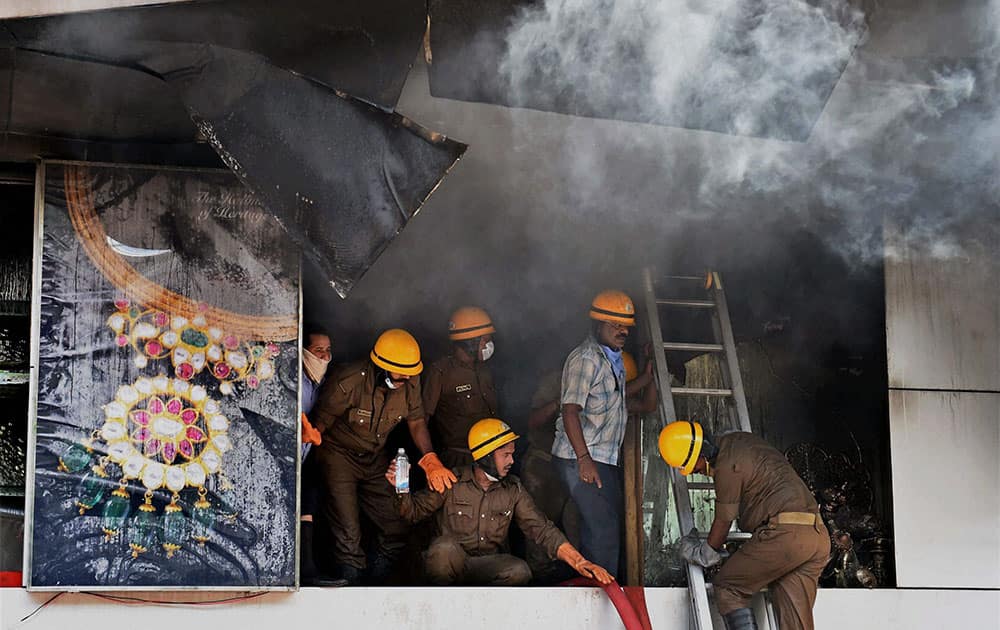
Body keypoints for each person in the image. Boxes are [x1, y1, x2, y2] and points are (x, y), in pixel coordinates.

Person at [387, 418, 613, 586]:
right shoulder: (451, 481)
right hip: (451, 565)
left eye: (512, 454)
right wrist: (401, 487)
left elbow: (542, 530)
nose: (512, 461)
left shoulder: (513, 489)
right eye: (506, 455)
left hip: (487, 566)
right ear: (486, 456)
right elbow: (412, 513)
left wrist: (580, 562)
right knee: (444, 548)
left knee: (519, 570)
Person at [310, 329, 457, 584]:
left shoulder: (410, 380)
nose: (408, 378)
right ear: (383, 368)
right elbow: (320, 422)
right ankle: (350, 580)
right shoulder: (350, 380)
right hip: (338, 455)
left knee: (395, 525)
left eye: (411, 373)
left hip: (374, 456)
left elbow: (416, 421)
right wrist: (309, 441)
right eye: (402, 374)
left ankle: (376, 581)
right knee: (348, 530)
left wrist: (430, 458)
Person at [659, 421, 830, 630]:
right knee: (795, 624)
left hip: (786, 536)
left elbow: (724, 519)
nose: (697, 472)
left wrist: (706, 552)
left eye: (694, 467)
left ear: (702, 456)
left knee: (728, 587)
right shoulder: (742, 442)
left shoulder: (726, 464)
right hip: (816, 537)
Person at [550, 289, 636, 577]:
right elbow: (569, 410)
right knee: (602, 528)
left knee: (604, 525)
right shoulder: (585, 358)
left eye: (626, 326)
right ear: (598, 324)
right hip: (580, 458)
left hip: (604, 458)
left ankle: (593, 588)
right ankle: (599, 596)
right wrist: (584, 458)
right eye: (616, 325)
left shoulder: (615, 359)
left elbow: (616, 398)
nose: (623, 330)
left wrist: (648, 377)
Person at [423, 306, 498, 468]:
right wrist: (430, 459)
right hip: (458, 460)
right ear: (470, 342)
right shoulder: (441, 372)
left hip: (490, 457)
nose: (489, 345)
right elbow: (421, 420)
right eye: (485, 340)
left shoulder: (485, 370)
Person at [299, 325, 336, 585]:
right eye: (317, 350)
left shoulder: (320, 381)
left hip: (306, 453)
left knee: (310, 498)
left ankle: (308, 568)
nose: (324, 356)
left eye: (328, 351)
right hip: (285, 455)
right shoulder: (295, 379)